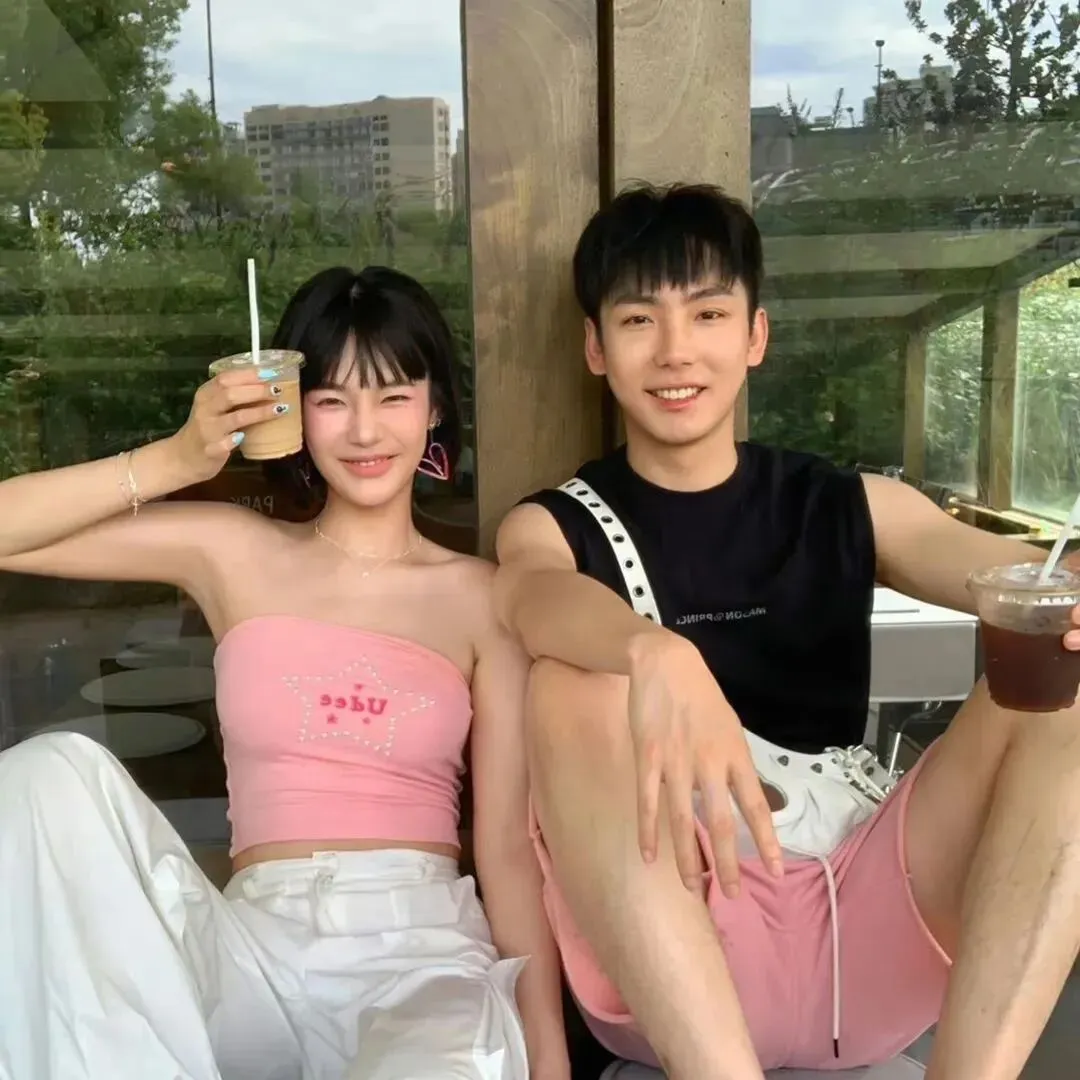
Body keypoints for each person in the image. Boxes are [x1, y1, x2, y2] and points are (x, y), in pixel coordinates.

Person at [493, 182, 1080, 1080]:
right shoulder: (554, 526)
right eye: (640, 319)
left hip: (866, 926)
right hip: (676, 954)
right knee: (570, 680)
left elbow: (1020, 579)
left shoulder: (847, 505)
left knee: (1062, 684)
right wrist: (653, 652)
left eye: (709, 313)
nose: (676, 350)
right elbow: (530, 596)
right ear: (596, 347)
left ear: (755, 336)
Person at [0, 266, 569, 1080]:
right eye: (332, 400)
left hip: (422, 959)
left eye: (394, 396)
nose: (365, 431)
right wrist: (177, 458)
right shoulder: (232, 551)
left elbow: (507, 849)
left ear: (436, 407)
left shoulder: (483, 598)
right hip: (252, 958)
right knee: (42, 776)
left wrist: (548, 1055)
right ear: (294, 409)